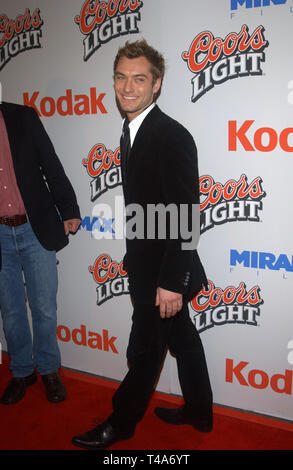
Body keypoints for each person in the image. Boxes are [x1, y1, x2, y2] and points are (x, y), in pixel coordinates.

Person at [72, 40, 213, 449]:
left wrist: (171, 281)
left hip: (166, 275)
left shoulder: (170, 135)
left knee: (145, 351)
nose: (128, 87)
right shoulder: (131, 131)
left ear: (157, 84)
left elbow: (186, 215)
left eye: (139, 79)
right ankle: (200, 412)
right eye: (121, 78)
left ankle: (121, 422)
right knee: (183, 341)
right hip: (149, 266)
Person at [0, 101, 81, 405]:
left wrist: (69, 209)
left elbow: (50, 162)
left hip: (35, 228)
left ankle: (48, 369)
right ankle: (22, 372)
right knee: (10, 311)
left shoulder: (22, 116)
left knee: (44, 307)